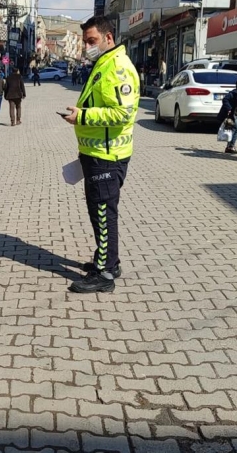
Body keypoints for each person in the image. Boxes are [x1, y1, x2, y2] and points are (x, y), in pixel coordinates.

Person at [61, 16, 140, 294]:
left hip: (107, 156)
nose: (87, 47)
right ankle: (109, 261)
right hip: (96, 153)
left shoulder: (117, 68)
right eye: (85, 42)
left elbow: (123, 113)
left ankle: (105, 275)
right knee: (99, 212)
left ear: (109, 38)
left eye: (92, 41)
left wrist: (82, 115)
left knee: (104, 213)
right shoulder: (104, 64)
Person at [219, 78, 237, 154]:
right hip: (233, 116)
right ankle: (231, 146)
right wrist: (229, 108)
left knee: (234, 130)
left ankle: (229, 147)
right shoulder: (233, 93)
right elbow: (225, 100)